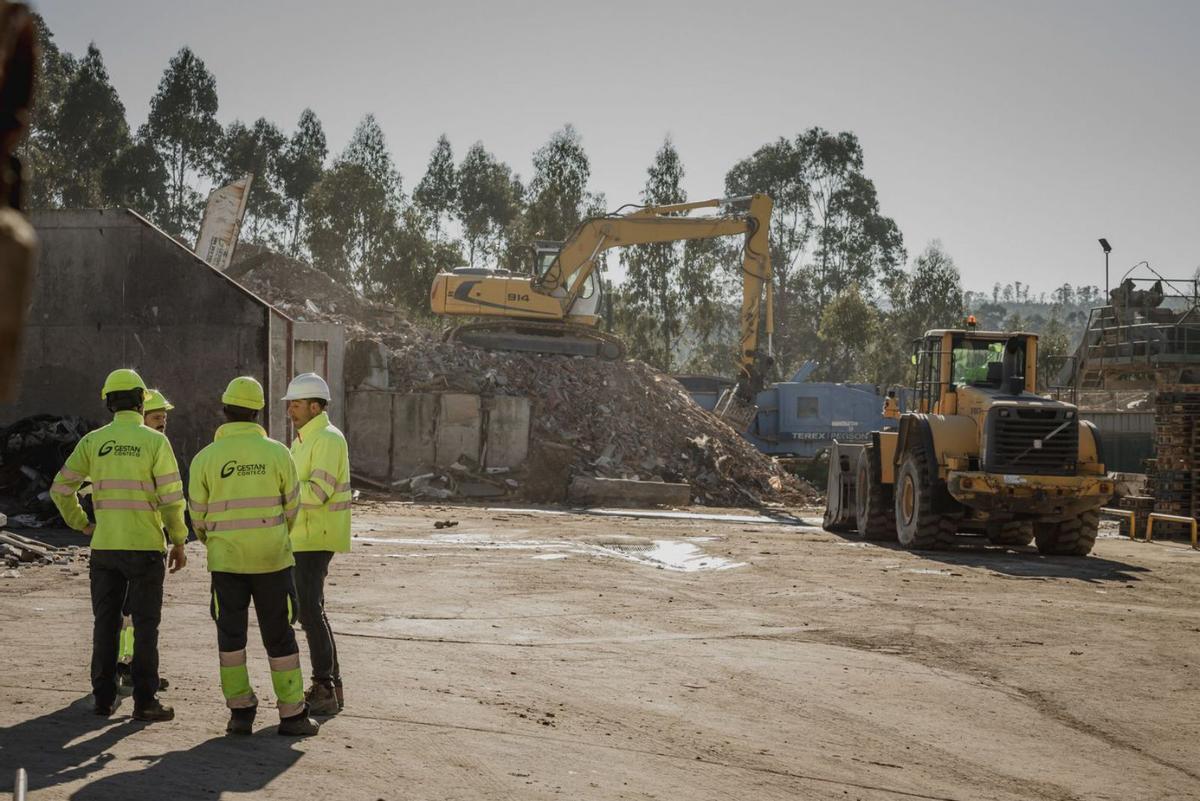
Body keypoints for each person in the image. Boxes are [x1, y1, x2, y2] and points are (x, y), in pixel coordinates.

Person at [50, 369, 186, 720]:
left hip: (105, 547)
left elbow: (61, 489)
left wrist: (82, 523)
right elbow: (172, 499)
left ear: (109, 402)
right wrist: (179, 540)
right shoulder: (156, 442)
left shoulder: (94, 442)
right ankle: (144, 701)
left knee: (105, 623)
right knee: (145, 626)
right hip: (145, 547)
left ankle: (103, 698)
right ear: (142, 401)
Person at [188, 376, 319, 737]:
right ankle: (292, 714)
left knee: (231, 639)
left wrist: (214, 540)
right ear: (258, 413)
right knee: (280, 636)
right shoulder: (279, 453)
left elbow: (196, 516)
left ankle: (240, 712)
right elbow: (293, 506)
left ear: (225, 410)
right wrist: (273, 535)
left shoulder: (205, 459)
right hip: (273, 561)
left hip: (226, 562)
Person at [282, 372, 351, 715]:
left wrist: (279, 495)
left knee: (309, 610)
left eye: (295, 404)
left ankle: (324, 685)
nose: (290, 410)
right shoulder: (304, 438)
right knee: (312, 610)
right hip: (304, 536)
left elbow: (318, 493)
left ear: (314, 405)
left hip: (316, 537)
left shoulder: (326, 439)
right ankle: (330, 685)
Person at [116, 388, 175, 693]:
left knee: (136, 613)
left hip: (147, 539)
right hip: (131, 542)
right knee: (131, 612)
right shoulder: (138, 448)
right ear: (140, 416)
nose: (162, 423)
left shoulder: (156, 446)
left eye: (164, 418)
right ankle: (129, 667)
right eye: (156, 417)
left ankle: (130, 665)